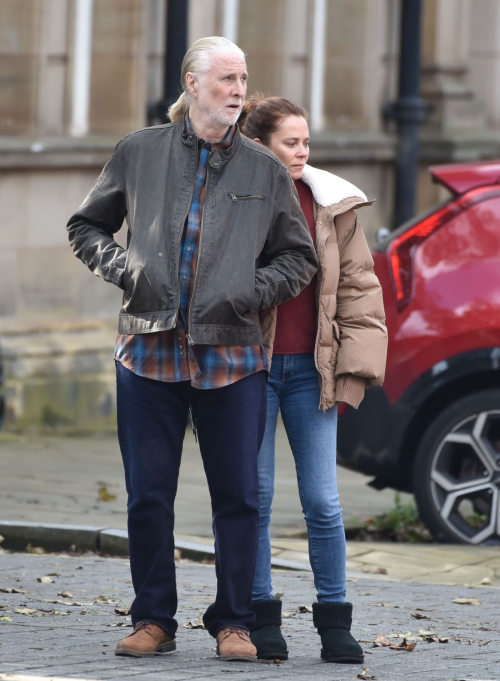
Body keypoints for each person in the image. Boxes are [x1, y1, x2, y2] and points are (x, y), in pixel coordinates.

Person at [66, 41, 317, 662]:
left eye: (244, 79)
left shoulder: (262, 167)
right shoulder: (139, 151)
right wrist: (129, 271)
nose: (238, 89)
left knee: (239, 497)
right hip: (147, 352)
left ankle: (233, 622)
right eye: (227, 78)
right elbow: (85, 226)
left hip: (232, 357)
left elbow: (299, 257)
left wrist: (246, 291)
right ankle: (153, 618)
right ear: (193, 83)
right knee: (149, 493)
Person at [239, 96, 388, 663]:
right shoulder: (236, 196)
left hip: (312, 371)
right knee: (252, 497)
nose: (302, 152)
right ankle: (259, 615)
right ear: (260, 144)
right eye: (291, 142)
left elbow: (359, 289)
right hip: (250, 368)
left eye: (306, 142)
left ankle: (333, 622)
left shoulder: (332, 203)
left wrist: (356, 367)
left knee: (323, 501)